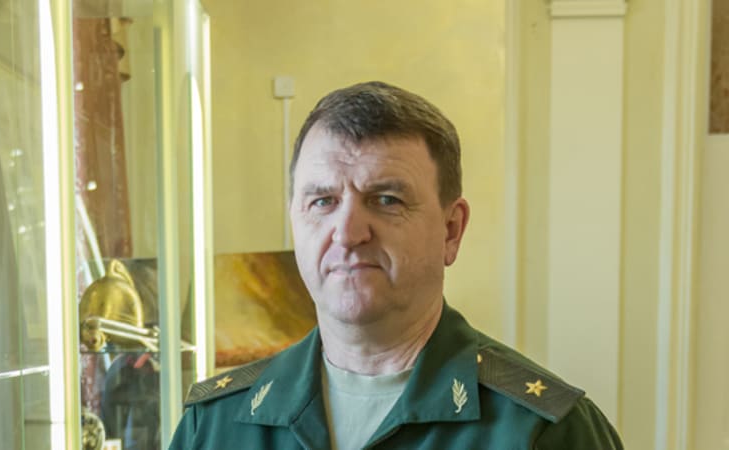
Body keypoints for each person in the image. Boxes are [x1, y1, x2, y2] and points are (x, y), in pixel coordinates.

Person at [169, 81, 623, 449]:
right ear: (294, 221)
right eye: (323, 201)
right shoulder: (213, 426)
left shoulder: (542, 432)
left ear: (451, 230)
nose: (348, 233)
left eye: (386, 200)